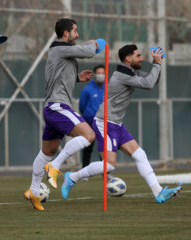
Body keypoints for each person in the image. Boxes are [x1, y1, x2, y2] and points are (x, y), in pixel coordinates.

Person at [61, 44, 182, 203]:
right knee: (110, 165)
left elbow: (153, 80)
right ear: (128, 58)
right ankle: (72, 177)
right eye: (138, 56)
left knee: (140, 155)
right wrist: (156, 64)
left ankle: (158, 192)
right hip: (105, 123)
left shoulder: (130, 72)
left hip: (116, 124)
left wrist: (157, 64)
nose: (141, 58)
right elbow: (148, 84)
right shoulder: (121, 75)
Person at [24, 18, 100, 211]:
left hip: (53, 107)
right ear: (65, 33)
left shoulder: (60, 52)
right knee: (89, 136)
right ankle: (55, 166)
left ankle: (33, 191)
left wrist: (77, 78)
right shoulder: (59, 47)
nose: (78, 34)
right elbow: (89, 52)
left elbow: (58, 78)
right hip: (58, 106)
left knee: (46, 152)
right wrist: (97, 43)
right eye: (75, 30)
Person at [79, 65, 105, 170]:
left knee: (103, 147)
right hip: (89, 121)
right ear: (94, 75)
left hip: (103, 121)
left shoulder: (108, 88)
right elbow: (82, 106)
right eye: (98, 73)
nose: (101, 76)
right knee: (87, 146)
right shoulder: (87, 90)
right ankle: (84, 171)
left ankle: (105, 171)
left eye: (103, 73)